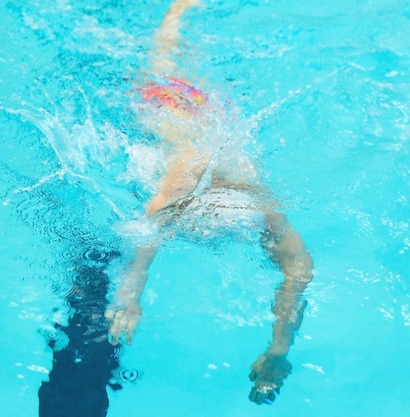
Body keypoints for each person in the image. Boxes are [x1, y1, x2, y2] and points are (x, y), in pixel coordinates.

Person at [104, 0, 314, 405]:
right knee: (162, 60)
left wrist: (280, 349)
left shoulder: (254, 194)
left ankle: (179, 14)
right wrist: (130, 294)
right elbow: (150, 228)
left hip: (202, 111)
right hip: (162, 101)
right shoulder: (187, 171)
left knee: (183, 65)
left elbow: (300, 269)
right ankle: (176, 11)